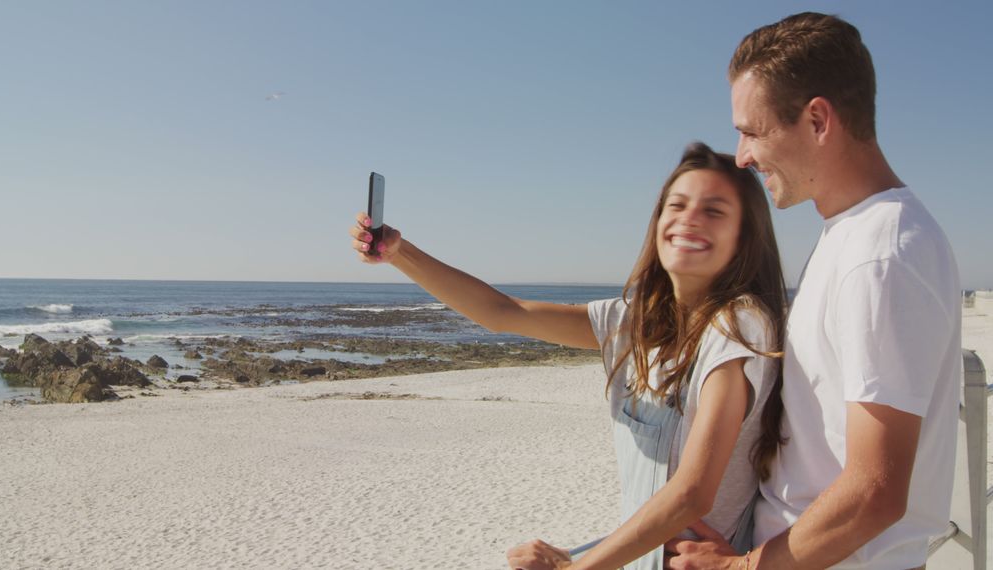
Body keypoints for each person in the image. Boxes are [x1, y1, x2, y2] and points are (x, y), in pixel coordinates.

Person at [349, 142, 788, 569]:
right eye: (677, 205)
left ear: (744, 236)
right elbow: (503, 312)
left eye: (714, 211)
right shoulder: (634, 323)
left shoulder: (738, 325)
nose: (690, 219)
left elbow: (693, 493)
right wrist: (399, 253)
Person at [664, 13, 962, 570]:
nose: (744, 156)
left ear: (818, 119)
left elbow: (875, 491)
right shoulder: (854, 235)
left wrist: (741, 567)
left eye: (752, 131)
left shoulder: (881, 255)